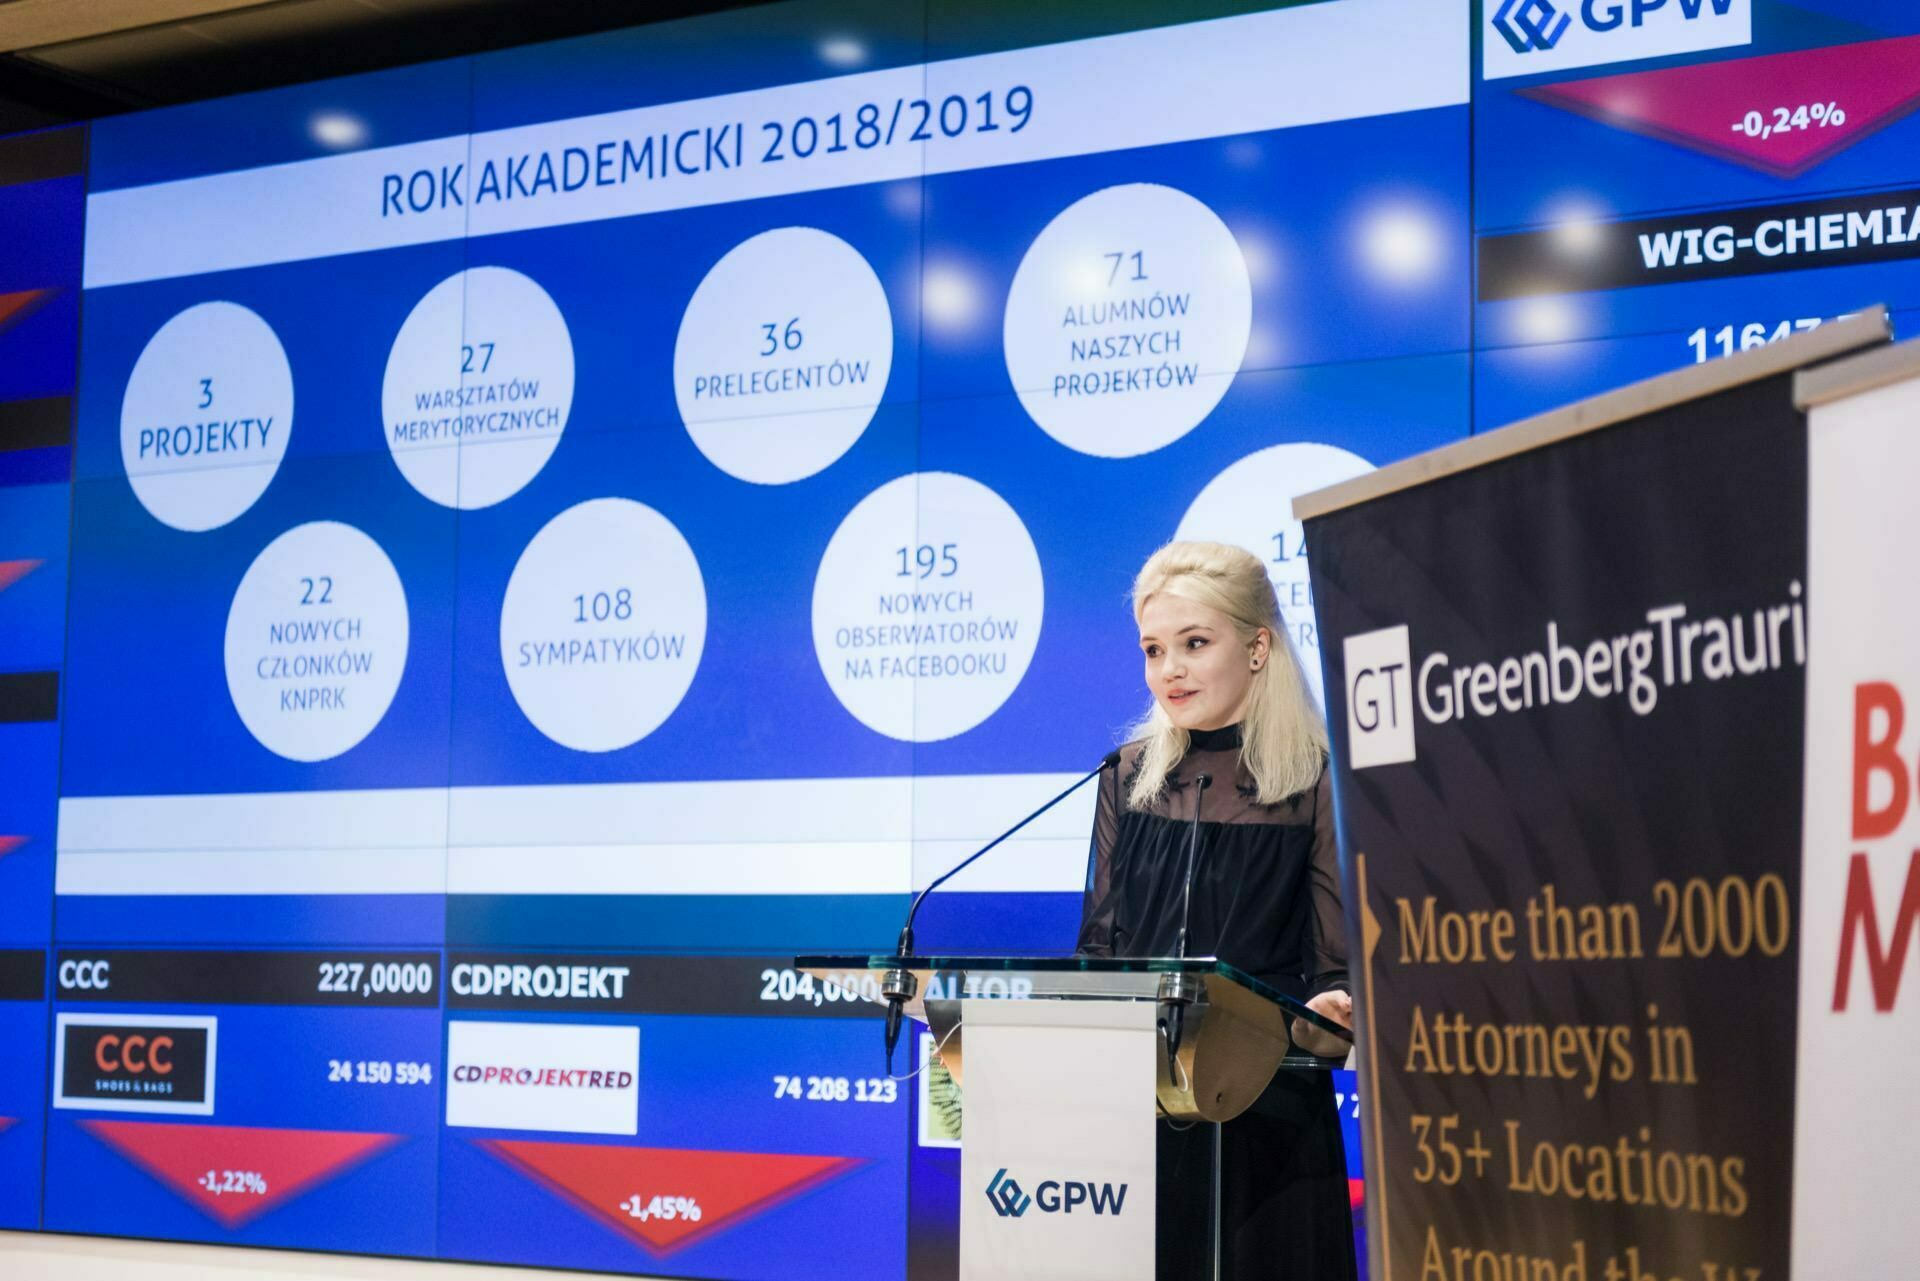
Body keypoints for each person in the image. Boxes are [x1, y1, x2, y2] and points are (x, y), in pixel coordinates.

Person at [1077, 539, 1357, 1281]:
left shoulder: (1316, 782)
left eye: (1194, 643)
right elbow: (1097, 956)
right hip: (1139, 1125)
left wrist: (1331, 1010)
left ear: (1258, 646)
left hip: (1270, 1125)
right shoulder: (1126, 777)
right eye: (1153, 648)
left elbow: (1333, 971)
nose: (1169, 669)